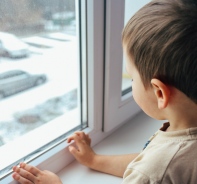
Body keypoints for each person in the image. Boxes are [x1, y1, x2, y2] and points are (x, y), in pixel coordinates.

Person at [12, 0, 197, 183]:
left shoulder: (154, 171)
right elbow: (145, 162)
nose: (131, 82)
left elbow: (150, 169)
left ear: (160, 94)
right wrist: (94, 160)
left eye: (132, 77)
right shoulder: (180, 140)